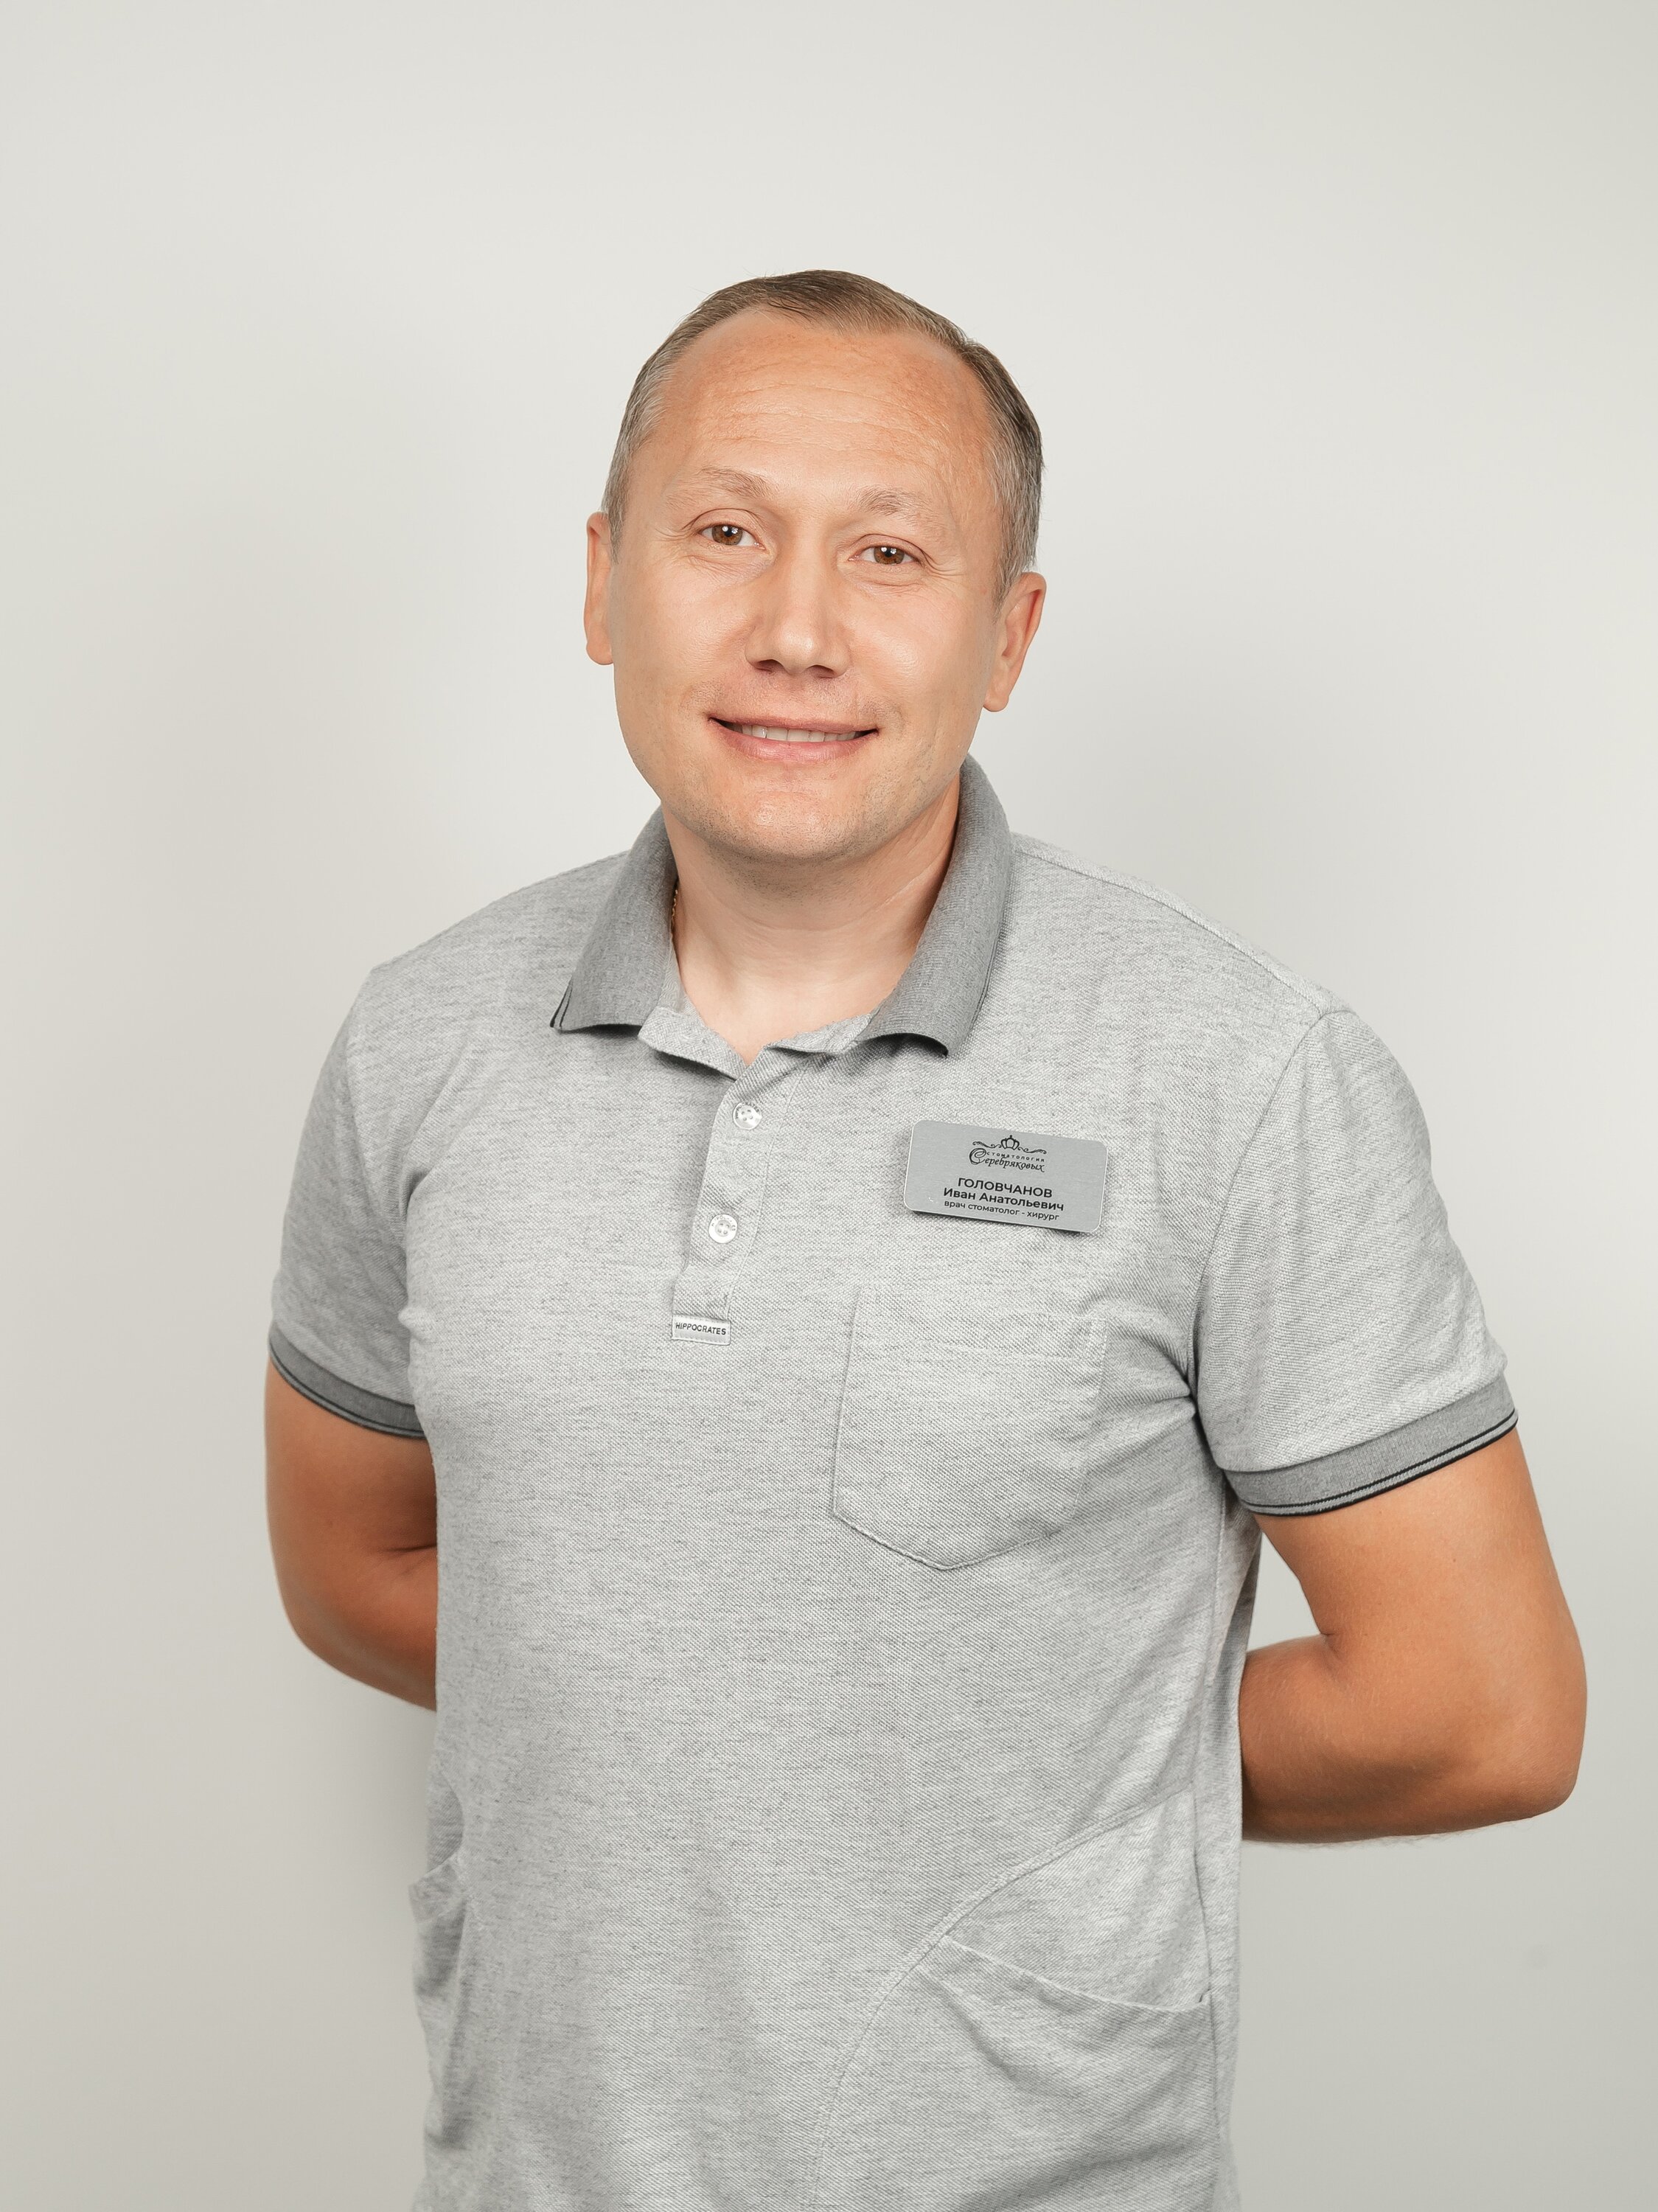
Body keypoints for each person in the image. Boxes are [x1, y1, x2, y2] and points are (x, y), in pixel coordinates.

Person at [264, 270, 1585, 2212]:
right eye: (724, 534)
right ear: (604, 583)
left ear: (1006, 635)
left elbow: (1477, 1713)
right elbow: (359, 1568)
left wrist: (1015, 1784)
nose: (795, 628)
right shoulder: (422, 1039)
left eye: (889, 552)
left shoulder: (1243, 1076)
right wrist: (752, 1725)